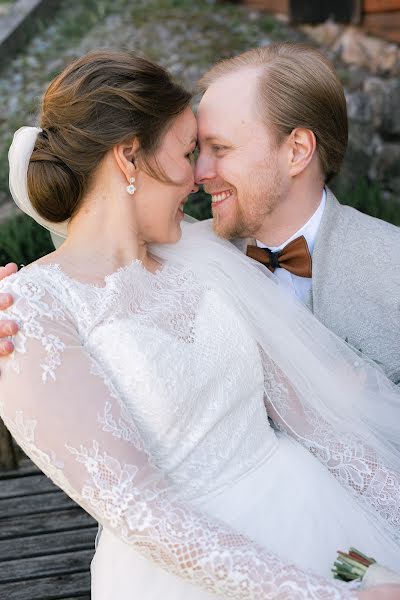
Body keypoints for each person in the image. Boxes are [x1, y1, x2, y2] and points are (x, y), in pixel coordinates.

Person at [0, 49, 399, 600]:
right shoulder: (28, 312)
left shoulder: (202, 255)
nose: (197, 178)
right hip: (186, 572)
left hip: (321, 530)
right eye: (189, 152)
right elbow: (141, 509)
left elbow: (313, 421)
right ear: (127, 159)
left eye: (212, 150)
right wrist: (331, 597)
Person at [194, 44, 400, 384]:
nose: (199, 174)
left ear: (297, 151)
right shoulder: (194, 260)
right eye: (199, 150)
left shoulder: (392, 267)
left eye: (220, 149)